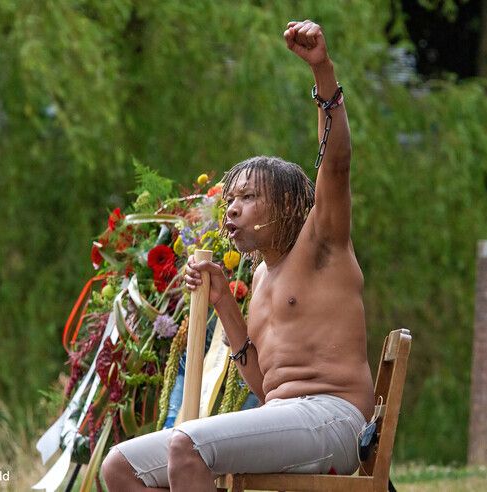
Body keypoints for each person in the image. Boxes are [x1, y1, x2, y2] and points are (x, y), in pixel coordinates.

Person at [101, 19, 374, 491]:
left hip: (334, 421)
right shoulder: (264, 275)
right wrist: (226, 302)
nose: (231, 208)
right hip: (284, 416)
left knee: (185, 445)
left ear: (288, 204)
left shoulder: (322, 243)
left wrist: (322, 72)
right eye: (230, 199)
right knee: (119, 466)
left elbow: (337, 162)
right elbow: (261, 385)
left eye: (247, 197)